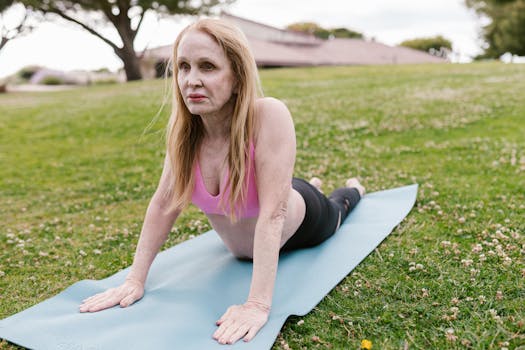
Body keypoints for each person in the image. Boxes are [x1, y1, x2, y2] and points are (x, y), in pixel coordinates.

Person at [79, 18, 365, 345]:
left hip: (303, 221)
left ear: (237, 79)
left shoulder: (268, 115)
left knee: (338, 206)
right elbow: (162, 204)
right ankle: (308, 182)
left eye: (208, 67)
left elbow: (273, 213)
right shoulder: (185, 136)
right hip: (254, 232)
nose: (192, 80)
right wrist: (134, 280)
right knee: (289, 186)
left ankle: (353, 188)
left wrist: (256, 305)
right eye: (184, 67)